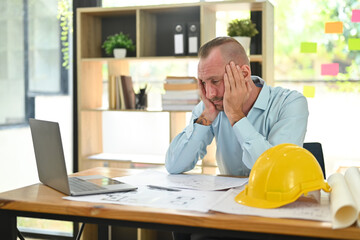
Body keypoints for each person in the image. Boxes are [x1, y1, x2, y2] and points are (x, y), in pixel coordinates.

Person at [165, 36, 309, 177]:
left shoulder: (290, 103)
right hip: (229, 199)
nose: (209, 93)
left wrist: (236, 115)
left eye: (215, 81)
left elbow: (275, 172)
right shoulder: (209, 107)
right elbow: (174, 165)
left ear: (244, 74)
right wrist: (206, 116)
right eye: (203, 83)